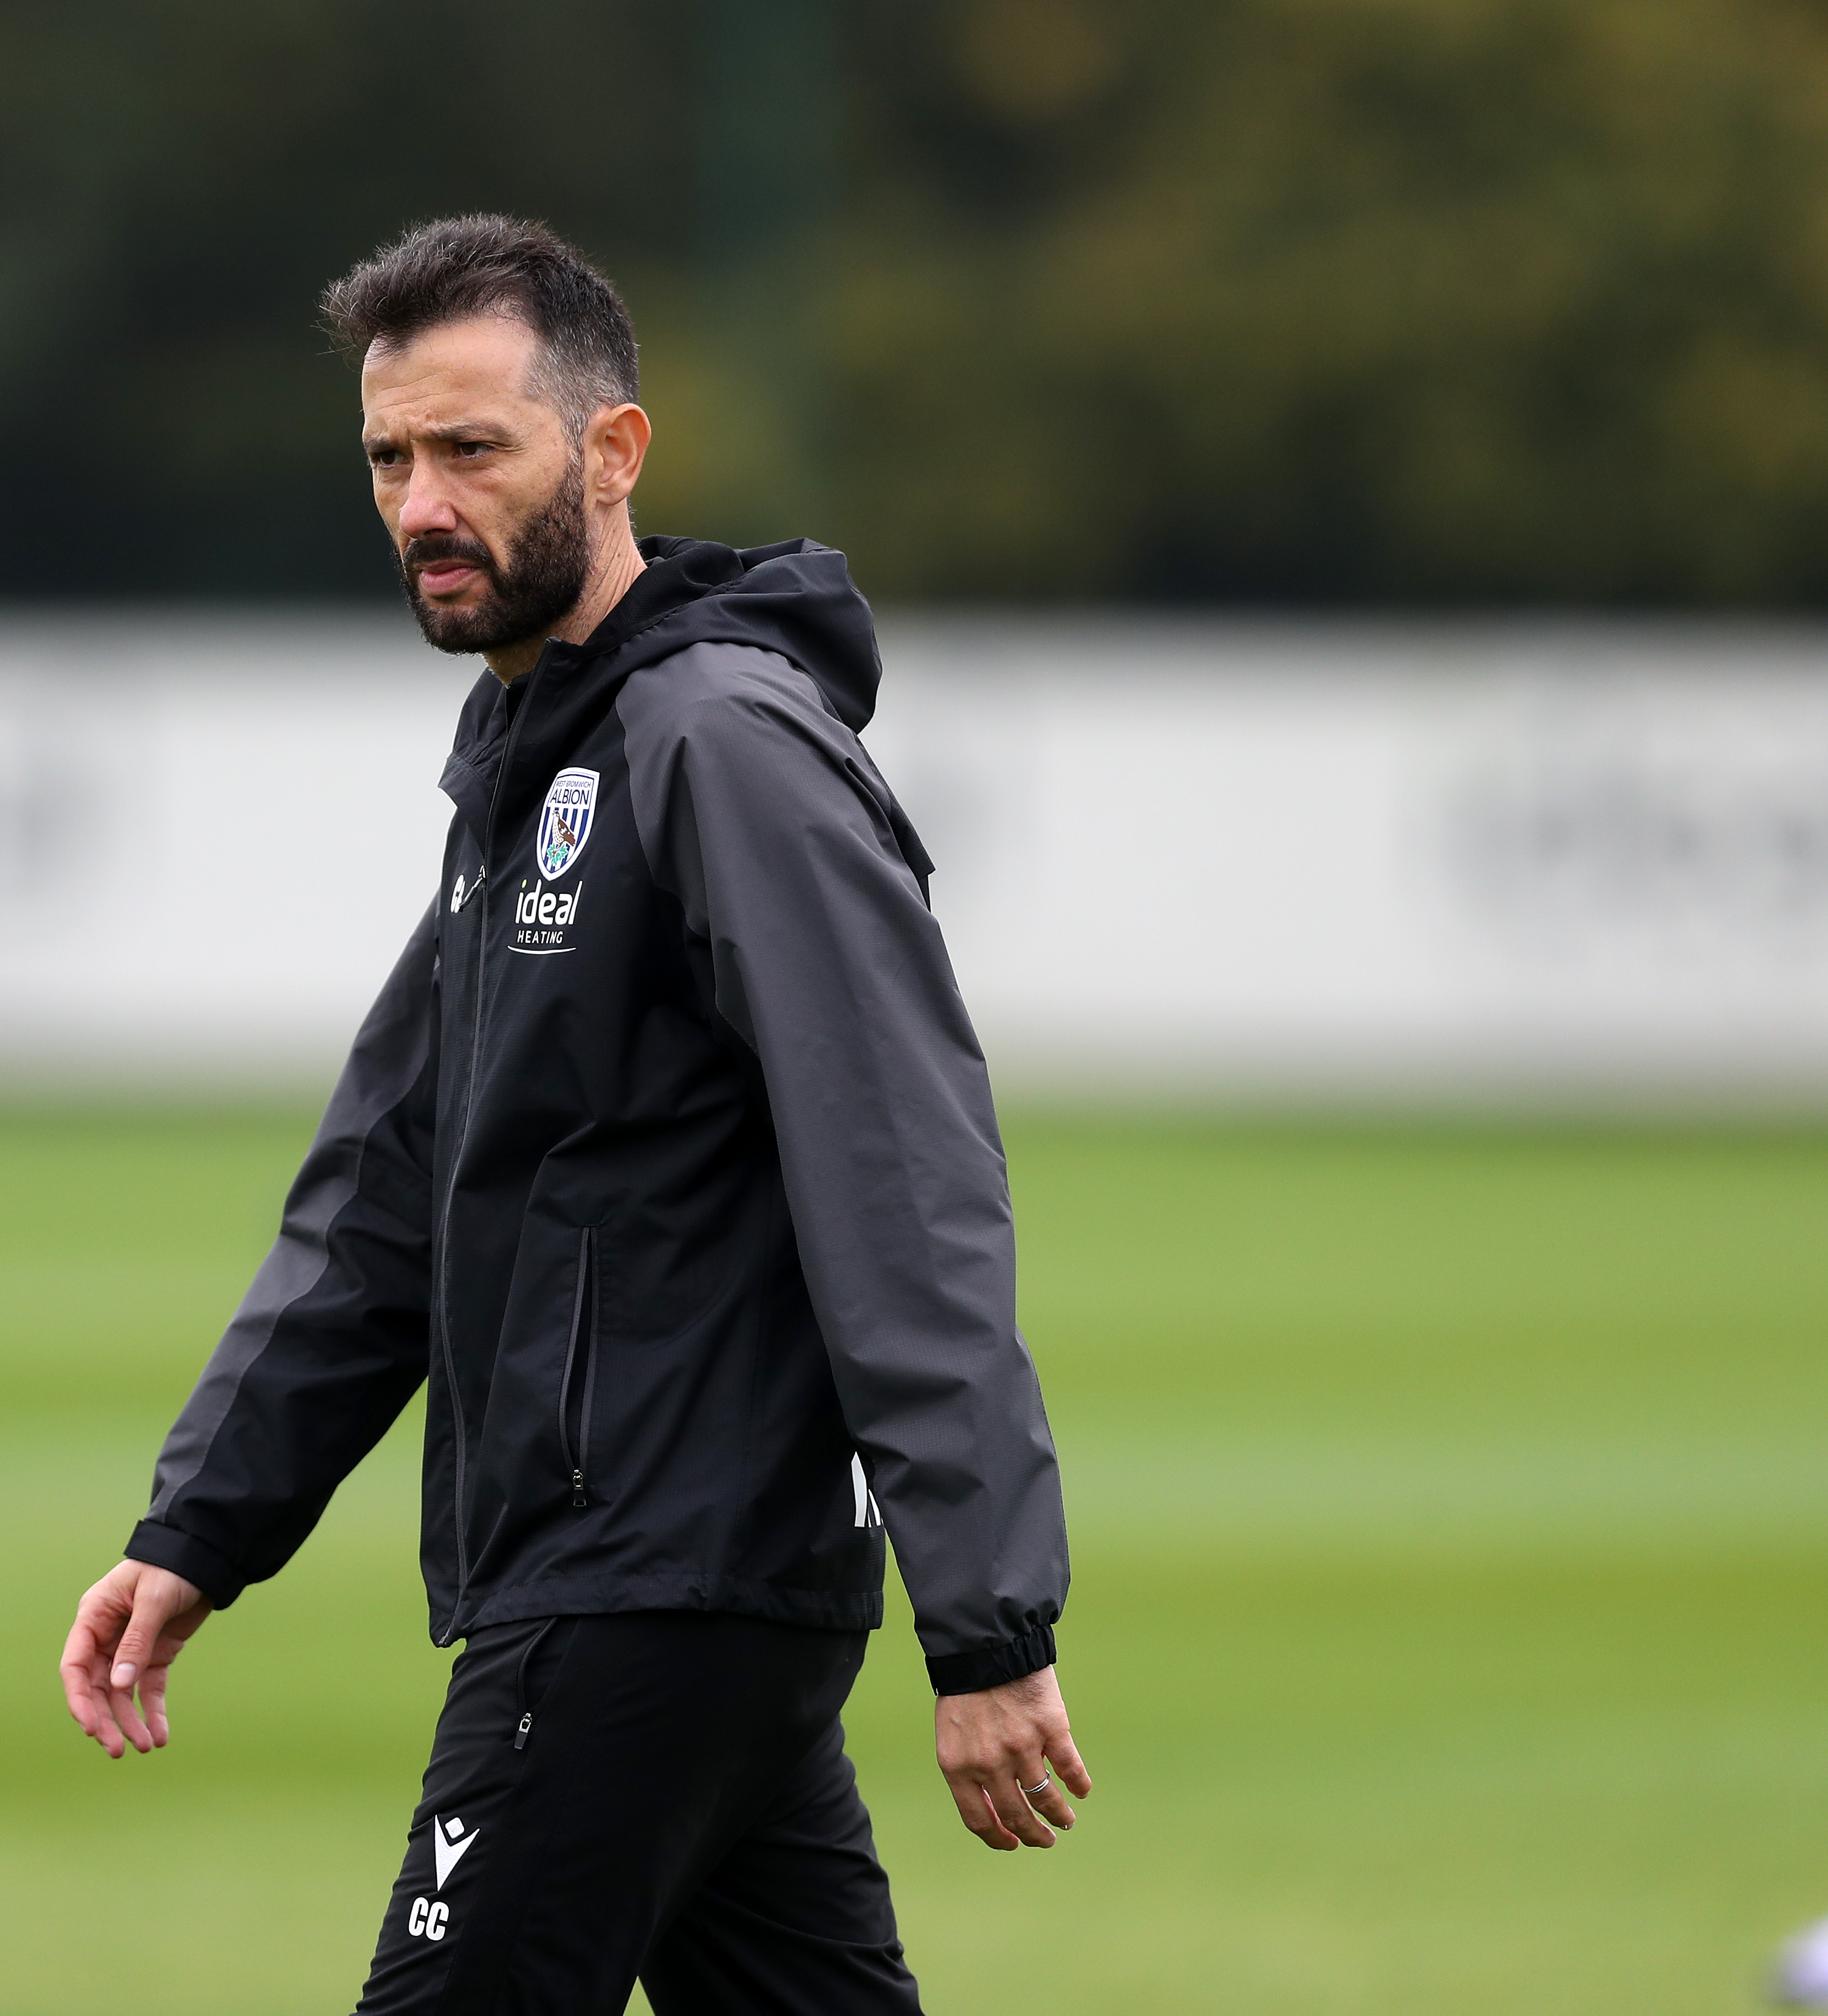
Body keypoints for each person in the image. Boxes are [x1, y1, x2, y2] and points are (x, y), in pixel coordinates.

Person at [60, 214, 1081, 2016]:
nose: (420, 503)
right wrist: (202, 1526)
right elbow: (387, 1193)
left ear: (611, 454)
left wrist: (986, 1622)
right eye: (388, 456)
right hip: (678, 1601)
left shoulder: (716, 747)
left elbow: (899, 1178)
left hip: (641, 1592)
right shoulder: (536, 768)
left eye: (471, 449)